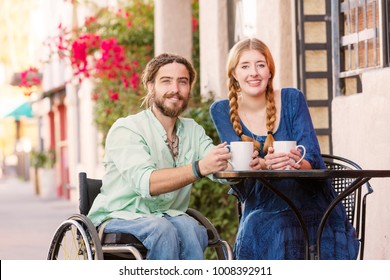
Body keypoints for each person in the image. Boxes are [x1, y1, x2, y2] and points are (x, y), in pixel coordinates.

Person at [210, 37, 359, 260]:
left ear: (270, 71)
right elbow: (243, 180)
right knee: (268, 225)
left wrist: (295, 162)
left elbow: (313, 159)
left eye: (261, 64)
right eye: (245, 66)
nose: (254, 72)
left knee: (286, 225)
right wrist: (260, 165)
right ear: (234, 74)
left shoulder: (292, 98)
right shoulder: (221, 110)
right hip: (263, 204)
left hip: (311, 202)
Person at [88, 53, 231, 260]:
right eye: (166, 81)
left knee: (191, 229)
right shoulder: (127, 129)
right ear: (150, 86)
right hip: (120, 216)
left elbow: (215, 165)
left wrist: (249, 162)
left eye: (183, 82)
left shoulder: (192, 130)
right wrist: (198, 168)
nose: (175, 89)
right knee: (162, 230)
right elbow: (147, 183)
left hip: (167, 216)